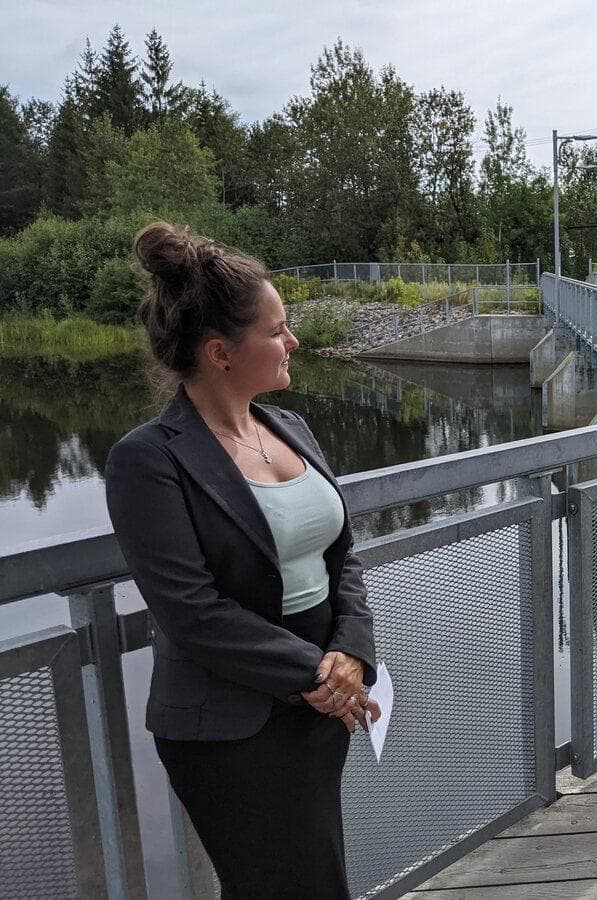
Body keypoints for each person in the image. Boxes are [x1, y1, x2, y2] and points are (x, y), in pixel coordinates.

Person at [105, 222, 379, 898]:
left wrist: (351, 650)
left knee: (314, 874)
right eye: (278, 330)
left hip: (321, 703)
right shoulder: (148, 460)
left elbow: (341, 554)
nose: (294, 341)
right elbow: (191, 612)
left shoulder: (290, 427)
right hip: (231, 726)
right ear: (220, 353)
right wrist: (317, 671)